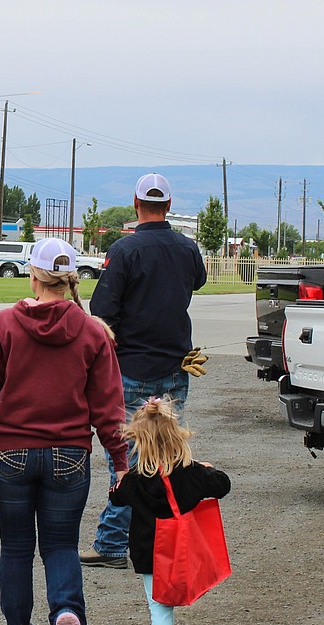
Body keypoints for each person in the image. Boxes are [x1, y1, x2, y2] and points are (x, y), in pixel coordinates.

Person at [0, 238, 128, 625]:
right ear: (71, 281)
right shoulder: (92, 332)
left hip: (10, 452)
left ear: (33, 276)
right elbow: (109, 404)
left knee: (15, 548)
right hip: (69, 454)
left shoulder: (5, 324)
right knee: (61, 545)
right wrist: (119, 461)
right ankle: (67, 613)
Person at [82, 172, 208, 569]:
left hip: (132, 366)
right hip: (175, 367)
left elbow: (101, 311)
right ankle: (169, 535)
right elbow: (199, 282)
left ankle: (114, 540)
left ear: (136, 204)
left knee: (130, 455)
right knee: (169, 450)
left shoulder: (124, 250)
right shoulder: (188, 249)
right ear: (169, 206)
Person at [110, 396, 231, 625]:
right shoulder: (190, 472)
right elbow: (223, 484)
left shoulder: (136, 480)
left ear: (139, 440)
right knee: (163, 606)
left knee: (159, 606)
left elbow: (116, 496)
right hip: (180, 547)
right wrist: (207, 468)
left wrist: (121, 479)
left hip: (148, 549)